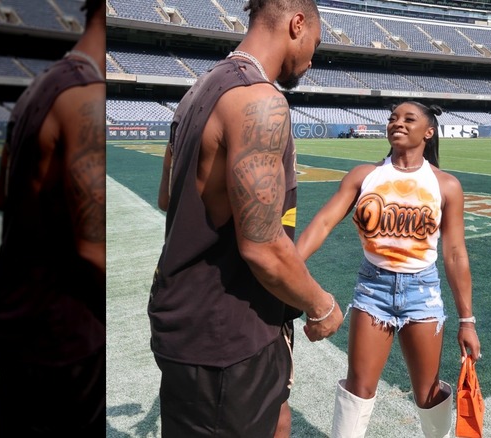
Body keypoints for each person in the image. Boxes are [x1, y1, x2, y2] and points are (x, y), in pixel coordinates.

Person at [150, 0, 344, 436]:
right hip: (224, 334)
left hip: (197, 320)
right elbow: (262, 246)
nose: (313, 58)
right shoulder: (260, 101)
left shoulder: (195, 92)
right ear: (297, 24)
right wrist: (321, 305)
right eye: (315, 42)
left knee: (279, 420)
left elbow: (167, 197)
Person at [296, 101, 481, 438]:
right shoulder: (364, 176)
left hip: (422, 293)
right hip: (373, 290)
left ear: (429, 131)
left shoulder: (446, 185)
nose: (398, 123)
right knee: (358, 388)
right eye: (393, 118)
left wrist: (466, 320)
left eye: (409, 119)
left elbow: (455, 255)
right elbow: (322, 224)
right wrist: (289, 269)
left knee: (428, 395)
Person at [0, 0, 106, 435]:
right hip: (62, 339)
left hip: (14, 318)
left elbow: (2, 196)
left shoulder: (35, 89)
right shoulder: (85, 99)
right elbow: (94, 249)